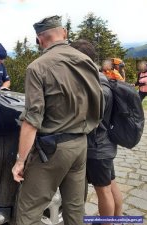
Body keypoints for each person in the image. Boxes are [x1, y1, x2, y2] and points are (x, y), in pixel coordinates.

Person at [11, 16, 103, 225]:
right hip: (80, 145)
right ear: (64, 33)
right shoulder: (87, 62)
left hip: (52, 150)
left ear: (40, 39)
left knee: (28, 211)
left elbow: (32, 119)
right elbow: (99, 103)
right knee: (75, 209)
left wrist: (20, 161)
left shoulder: (37, 67)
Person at [71, 40, 123, 225]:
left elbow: (87, 118)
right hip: (106, 144)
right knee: (111, 184)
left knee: (103, 190)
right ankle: (116, 220)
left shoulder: (95, 86)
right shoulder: (102, 78)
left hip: (97, 147)